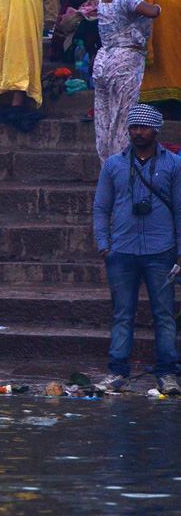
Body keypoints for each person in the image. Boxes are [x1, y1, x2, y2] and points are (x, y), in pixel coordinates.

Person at [92, 105, 181, 395]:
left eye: (144, 128)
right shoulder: (113, 165)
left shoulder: (174, 164)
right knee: (122, 313)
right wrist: (104, 246)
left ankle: (167, 374)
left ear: (156, 130)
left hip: (162, 250)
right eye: (133, 127)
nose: (138, 132)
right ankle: (117, 372)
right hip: (121, 251)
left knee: (164, 314)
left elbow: (180, 209)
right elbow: (101, 207)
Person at [93, 0, 161, 160]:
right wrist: (159, 5)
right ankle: (120, 168)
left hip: (103, 60)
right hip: (124, 62)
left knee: (103, 120)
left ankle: (107, 167)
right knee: (123, 119)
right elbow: (152, 11)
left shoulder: (104, 0)